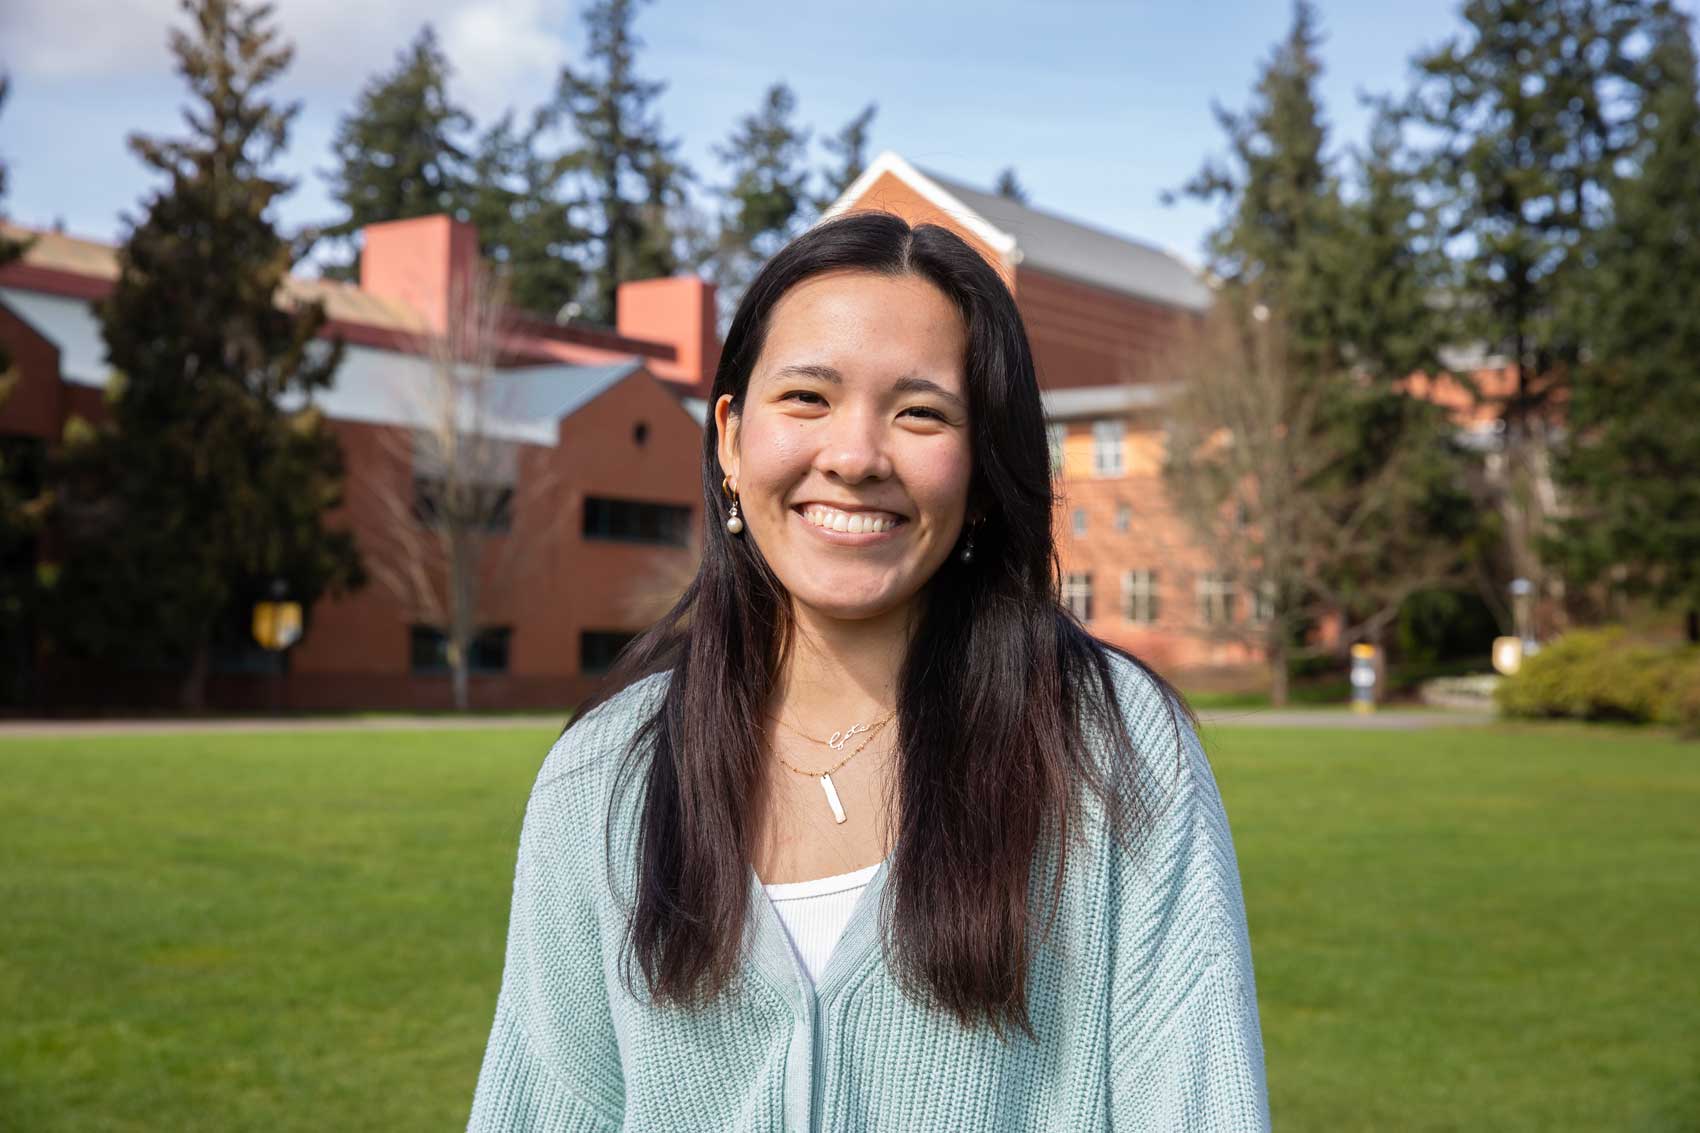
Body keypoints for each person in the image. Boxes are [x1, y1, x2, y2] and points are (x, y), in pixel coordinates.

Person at [467, 211, 1270, 1131]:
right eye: (806, 397)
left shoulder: (1115, 756)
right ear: (731, 439)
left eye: (921, 412)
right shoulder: (601, 778)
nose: (853, 457)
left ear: (981, 466)